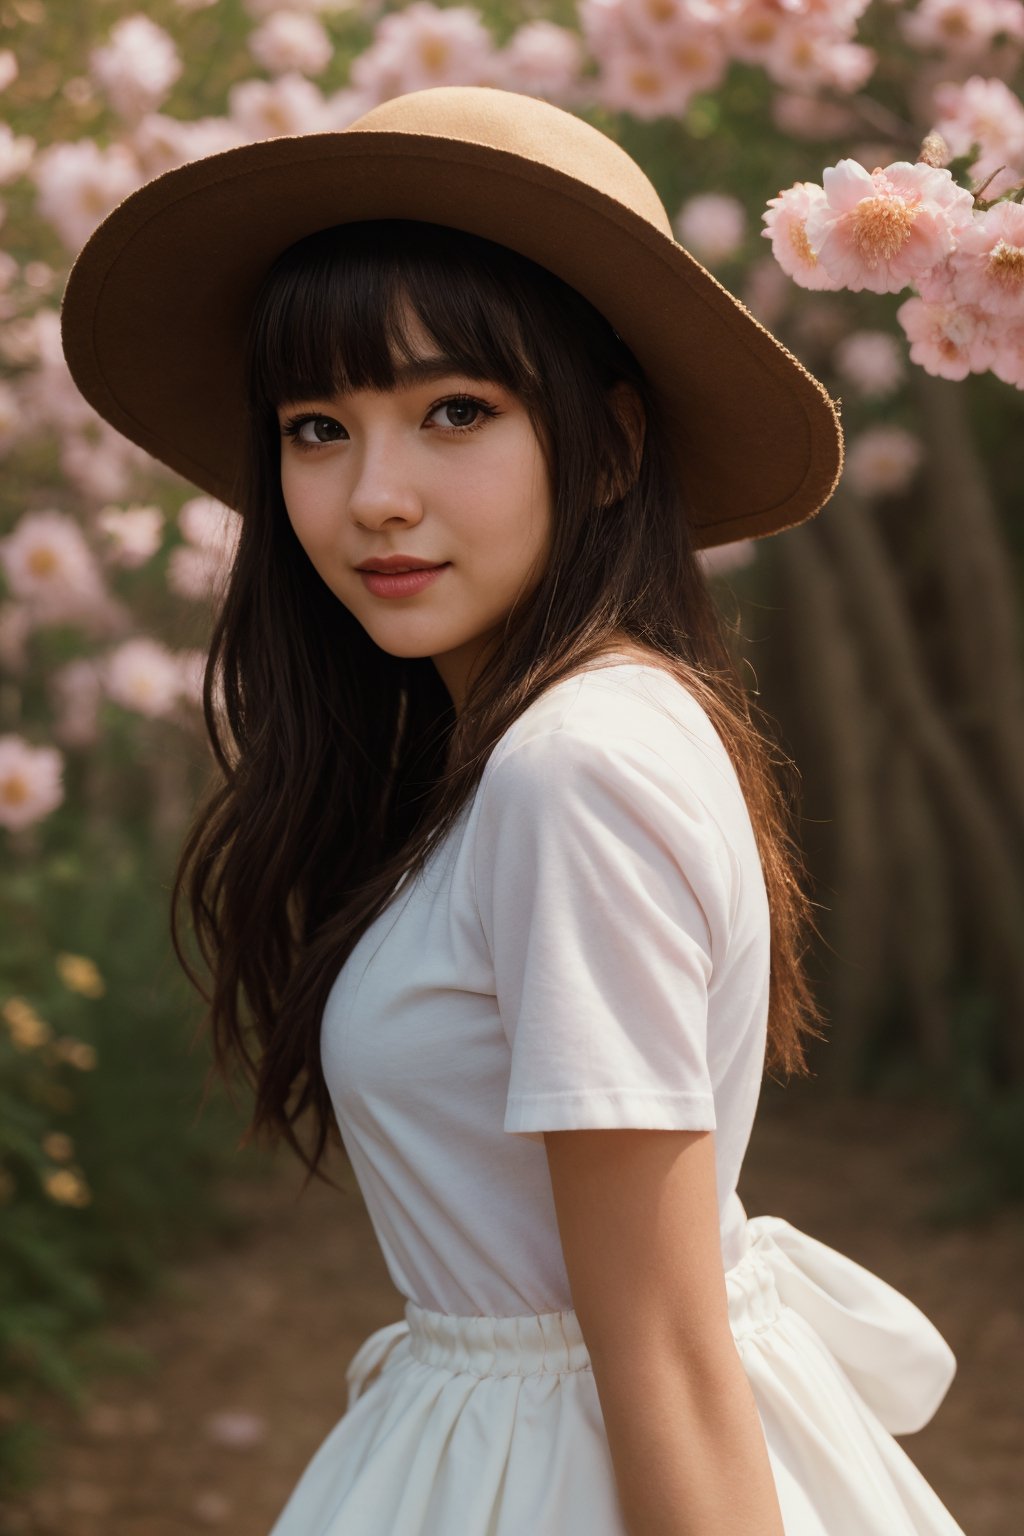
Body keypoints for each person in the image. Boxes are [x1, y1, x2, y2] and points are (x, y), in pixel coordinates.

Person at [61, 86, 967, 1536]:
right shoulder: (558, 739)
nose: (374, 496)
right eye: (316, 427)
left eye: (455, 412)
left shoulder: (573, 769)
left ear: (608, 448)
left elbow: (661, 1345)